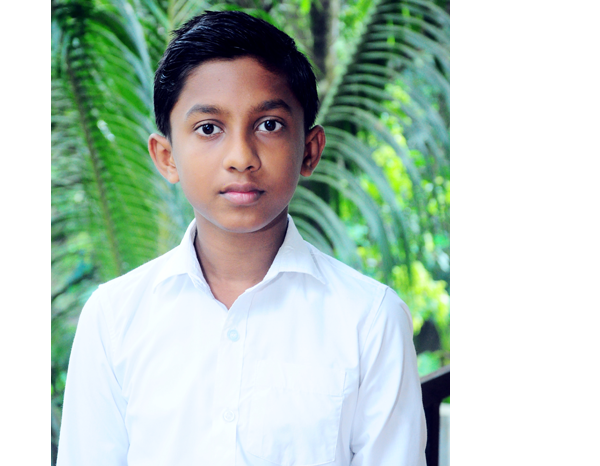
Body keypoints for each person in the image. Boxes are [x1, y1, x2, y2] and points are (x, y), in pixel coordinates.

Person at [57, 10, 426, 466]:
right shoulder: (113, 319)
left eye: (269, 124)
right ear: (167, 156)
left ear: (309, 150)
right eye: (208, 128)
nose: (240, 157)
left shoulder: (370, 320)